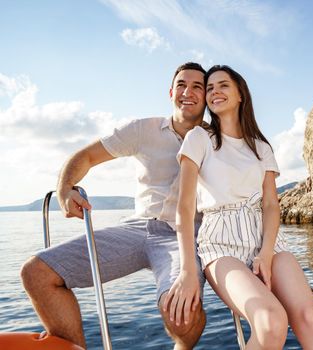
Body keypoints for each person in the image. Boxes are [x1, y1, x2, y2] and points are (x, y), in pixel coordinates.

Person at [20, 62, 208, 350]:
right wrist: (64, 188)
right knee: (36, 273)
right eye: (182, 84)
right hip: (136, 228)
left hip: (183, 237)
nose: (188, 92)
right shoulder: (142, 130)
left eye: (197, 87)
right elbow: (85, 156)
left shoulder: (221, 140)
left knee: (182, 314)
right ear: (171, 91)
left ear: (207, 97)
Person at [165, 65, 313, 349]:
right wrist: (187, 271)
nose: (214, 92)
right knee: (271, 320)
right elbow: (184, 209)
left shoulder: (261, 147)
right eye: (209, 88)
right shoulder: (198, 139)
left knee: (311, 317)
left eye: (223, 86)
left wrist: (266, 254)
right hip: (221, 243)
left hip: (267, 240)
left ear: (240, 94)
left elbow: (271, 205)